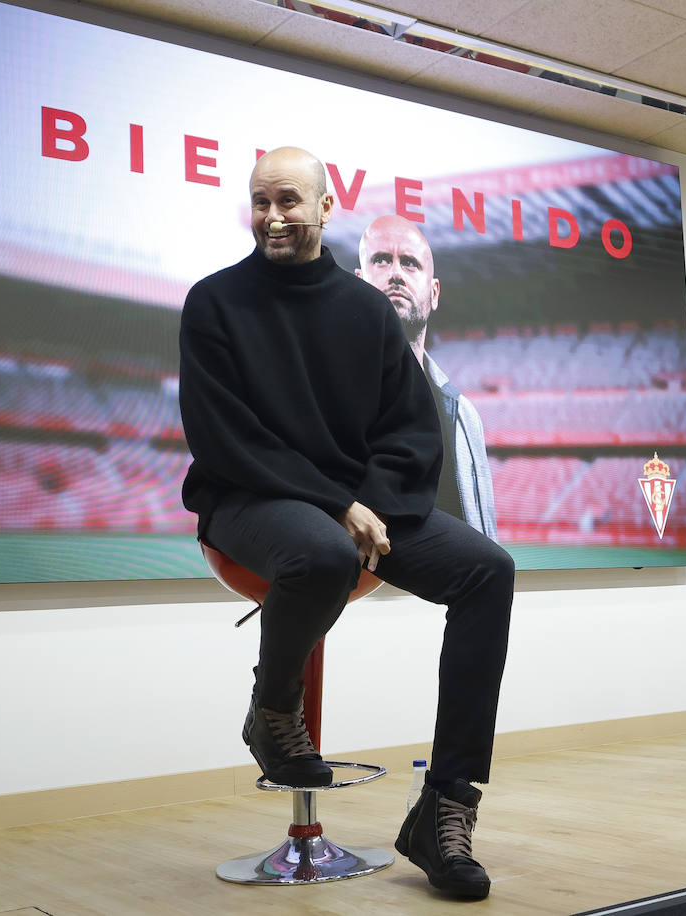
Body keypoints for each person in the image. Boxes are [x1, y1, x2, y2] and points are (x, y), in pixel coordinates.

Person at [178, 147, 514, 898]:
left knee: (488, 570)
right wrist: (339, 503)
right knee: (326, 552)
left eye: (290, 201)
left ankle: (446, 807)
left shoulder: (366, 310)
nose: (274, 216)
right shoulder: (214, 302)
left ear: (326, 208)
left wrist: (370, 505)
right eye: (261, 201)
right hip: (247, 499)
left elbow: (410, 434)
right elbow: (226, 439)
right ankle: (272, 710)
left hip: (358, 504)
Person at [356, 214, 498, 540]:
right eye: (381, 260)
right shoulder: (325, 390)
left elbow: (484, 539)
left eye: (409, 263)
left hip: (447, 588)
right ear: (358, 282)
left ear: (434, 293)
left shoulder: (463, 414)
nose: (395, 274)